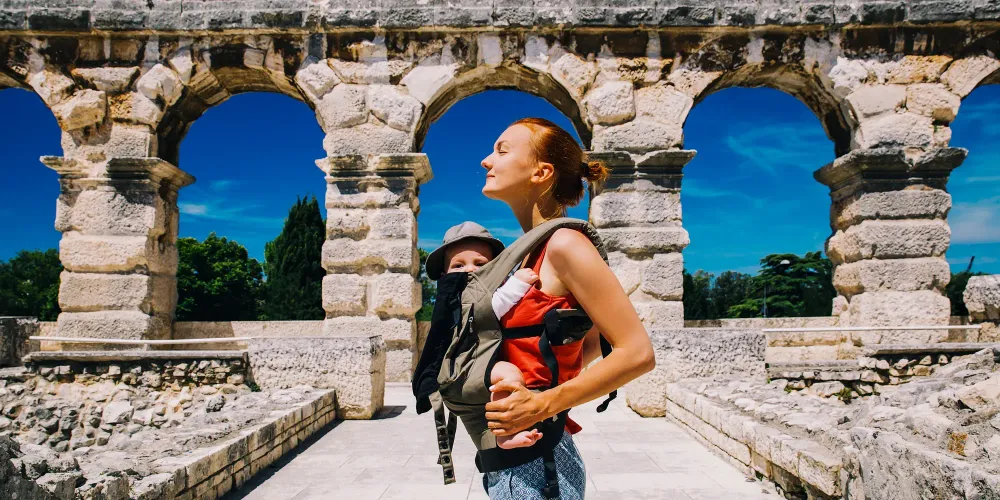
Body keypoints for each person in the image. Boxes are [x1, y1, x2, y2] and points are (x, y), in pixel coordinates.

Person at [479, 117, 656, 499]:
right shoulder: (530, 252)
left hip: (539, 460)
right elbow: (586, 346)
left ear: (541, 172)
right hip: (527, 449)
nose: (486, 160)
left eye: (502, 151)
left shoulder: (564, 245)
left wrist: (540, 404)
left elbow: (637, 352)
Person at [422, 221, 549, 450]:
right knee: (508, 374)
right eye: (458, 265)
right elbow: (488, 308)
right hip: (464, 368)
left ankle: (495, 440)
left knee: (481, 433)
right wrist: (517, 284)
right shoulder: (455, 298)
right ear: (444, 274)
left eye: (480, 264)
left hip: (466, 373)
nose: (469, 270)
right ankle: (506, 431)